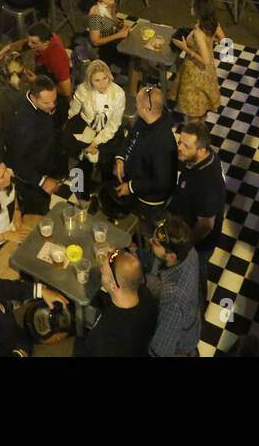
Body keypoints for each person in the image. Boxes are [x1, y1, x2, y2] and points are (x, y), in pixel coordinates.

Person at [170, 118, 226, 300]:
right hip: (183, 225)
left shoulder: (208, 184)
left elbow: (206, 225)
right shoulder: (197, 159)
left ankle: (199, 309)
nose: (180, 148)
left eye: (186, 146)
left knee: (196, 276)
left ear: (201, 150)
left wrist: (185, 246)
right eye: (180, 142)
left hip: (198, 244)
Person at [106, 86, 177, 223]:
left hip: (149, 201)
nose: (135, 106)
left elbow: (161, 182)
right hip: (137, 182)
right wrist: (121, 156)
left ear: (146, 109)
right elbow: (133, 135)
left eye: (137, 104)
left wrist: (131, 187)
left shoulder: (162, 142)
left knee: (140, 228)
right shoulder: (146, 120)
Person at [3, 76, 67, 216]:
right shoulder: (24, 124)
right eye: (46, 103)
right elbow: (15, 161)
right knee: (37, 214)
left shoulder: (41, 105)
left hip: (45, 165)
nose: (52, 105)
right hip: (32, 180)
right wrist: (42, 181)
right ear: (33, 97)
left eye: (53, 100)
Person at [76, 248, 157, 357]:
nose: (100, 270)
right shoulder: (144, 293)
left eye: (103, 271)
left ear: (114, 286)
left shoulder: (107, 337)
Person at [64, 59, 126, 193]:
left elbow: (114, 124)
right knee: (81, 164)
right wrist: (81, 140)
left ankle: (105, 193)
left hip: (108, 133)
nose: (102, 84)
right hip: (85, 128)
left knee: (106, 165)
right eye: (97, 80)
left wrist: (96, 142)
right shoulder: (83, 90)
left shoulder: (118, 93)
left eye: (105, 78)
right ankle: (81, 193)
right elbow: (73, 114)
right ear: (90, 80)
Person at [145, 215, 201, 357]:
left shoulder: (173, 298)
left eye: (155, 243)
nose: (150, 241)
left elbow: (161, 349)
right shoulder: (190, 252)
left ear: (171, 256)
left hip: (179, 348)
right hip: (190, 321)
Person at [172, 0, 223, 118]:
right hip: (208, 71)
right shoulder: (213, 24)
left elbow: (205, 60)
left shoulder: (199, 33)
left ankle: (195, 131)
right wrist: (209, 40)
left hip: (196, 74)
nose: (191, 7)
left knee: (194, 110)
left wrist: (186, 48)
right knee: (203, 103)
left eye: (192, 6)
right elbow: (223, 39)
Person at [86, 0, 134, 70]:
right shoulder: (95, 15)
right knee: (130, 62)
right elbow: (95, 42)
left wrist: (120, 24)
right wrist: (118, 35)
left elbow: (113, 18)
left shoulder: (110, 4)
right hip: (101, 49)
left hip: (112, 38)